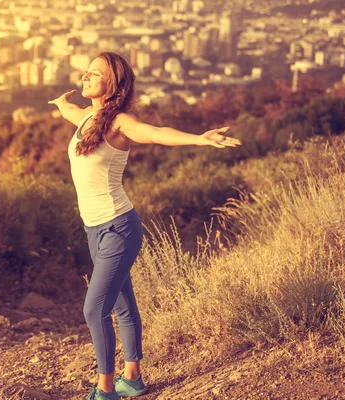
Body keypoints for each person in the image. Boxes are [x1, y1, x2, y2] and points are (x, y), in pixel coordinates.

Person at [47, 51, 241, 400]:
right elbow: (70, 111)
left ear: (114, 85)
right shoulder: (86, 119)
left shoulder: (120, 122)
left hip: (119, 228)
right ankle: (132, 379)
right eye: (86, 71)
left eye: (95, 73)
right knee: (121, 305)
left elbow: (155, 133)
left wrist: (200, 138)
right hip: (95, 229)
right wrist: (61, 102)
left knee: (94, 309)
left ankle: (106, 390)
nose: (86, 77)